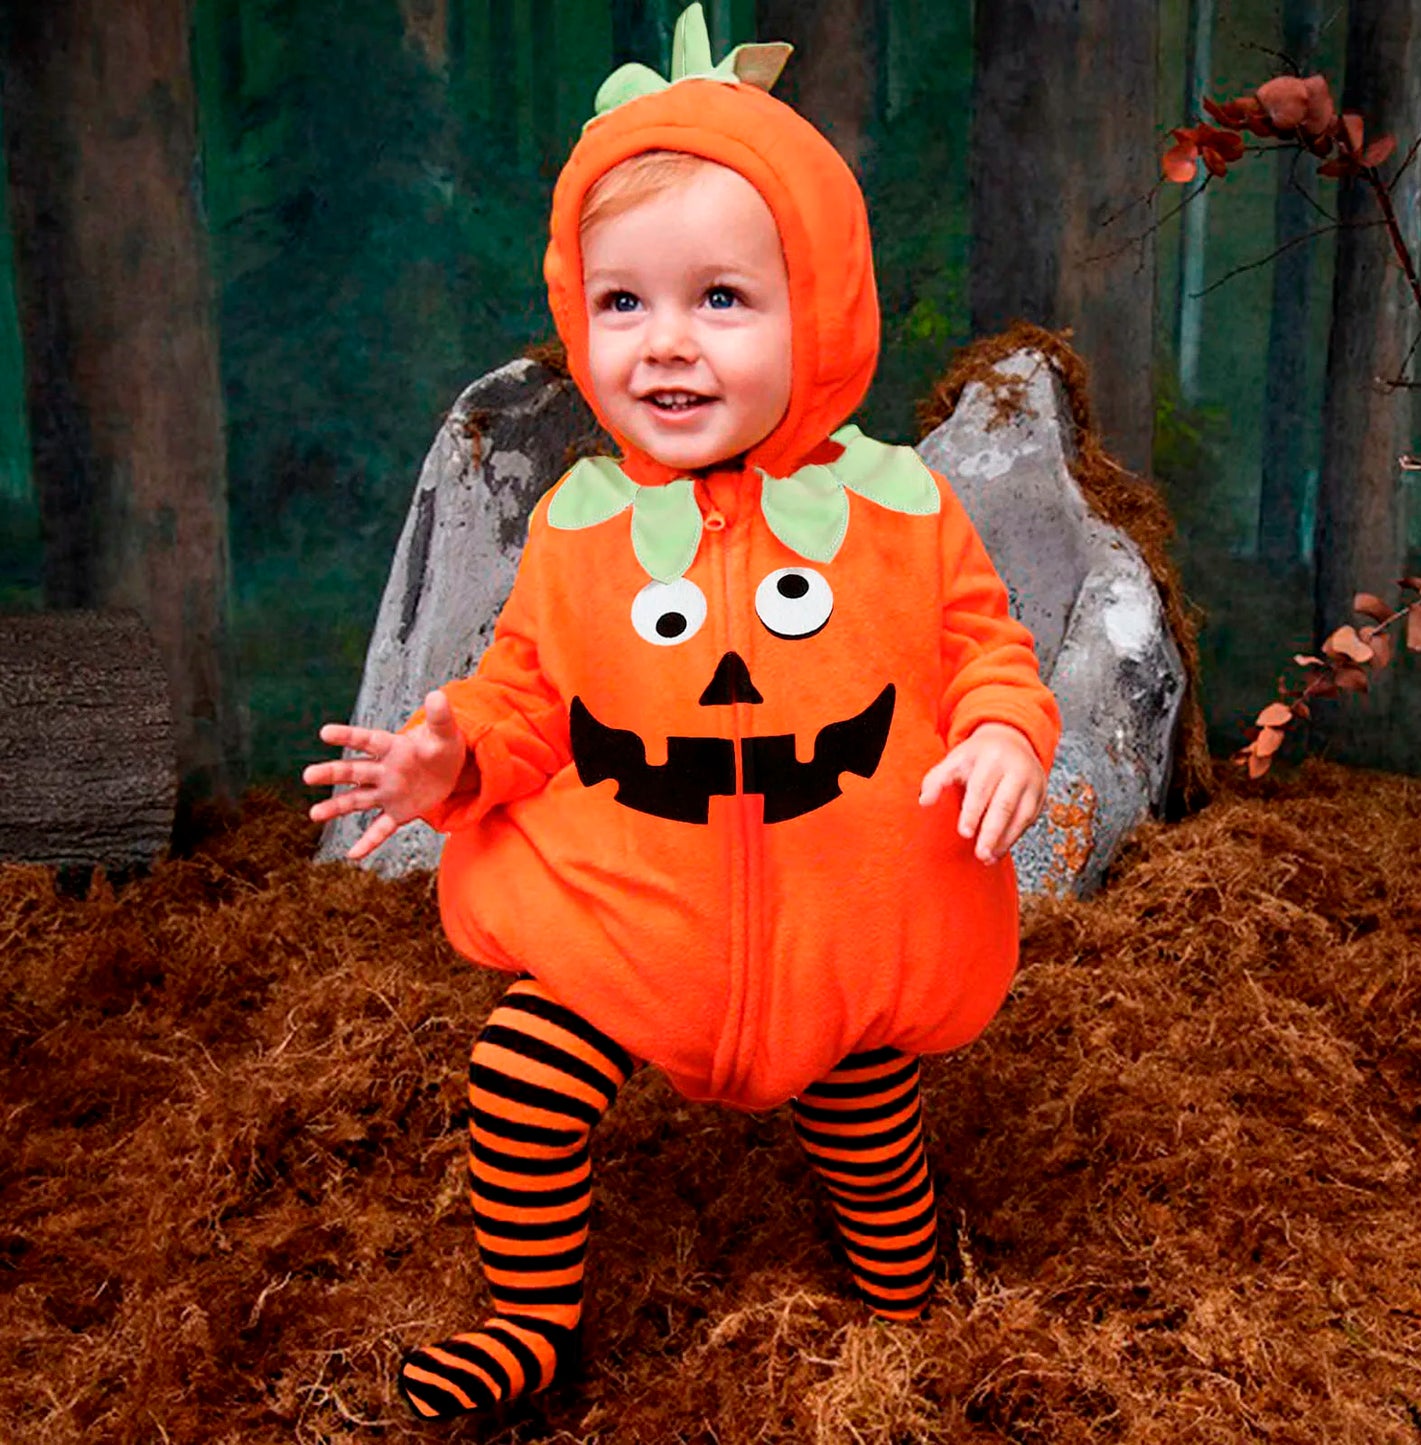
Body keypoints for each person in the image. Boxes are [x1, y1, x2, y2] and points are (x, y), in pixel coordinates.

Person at [304, 5, 1061, 1424]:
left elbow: (984, 646)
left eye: (720, 299)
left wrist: (1006, 734)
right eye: (621, 305)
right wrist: (449, 755)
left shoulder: (898, 507)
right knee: (520, 1073)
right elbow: (526, 696)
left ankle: (903, 1315)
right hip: (629, 930)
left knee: (870, 1125)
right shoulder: (580, 525)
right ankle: (532, 1322)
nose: (665, 346)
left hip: (840, 935)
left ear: (817, 307)